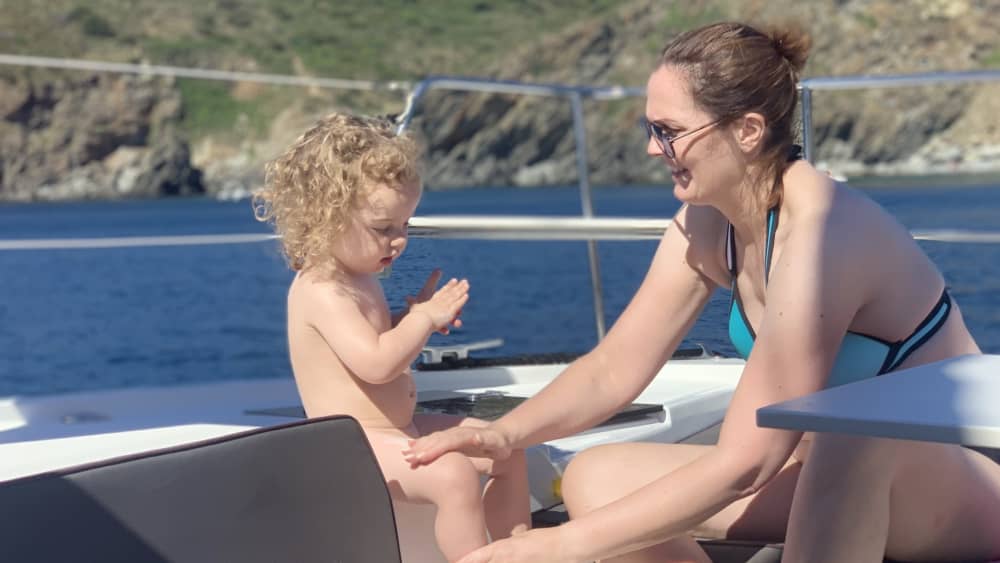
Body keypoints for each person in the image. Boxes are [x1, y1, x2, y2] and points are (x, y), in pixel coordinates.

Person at [402, 22, 1000, 563]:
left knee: (856, 430)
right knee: (593, 477)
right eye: (650, 130)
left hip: (965, 484)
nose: (650, 150)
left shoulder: (826, 232)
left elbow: (747, 462)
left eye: (668, 132)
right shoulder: (708, 224)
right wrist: (504, 433)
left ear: (746, 131)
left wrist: (559, 545)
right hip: (823, 473)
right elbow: (613, 369)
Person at [253, 112, 531, 562]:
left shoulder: (358, 276)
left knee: (502, 445)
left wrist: (412, 316)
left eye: (405, 225)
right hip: (355, 447)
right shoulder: (323, 290)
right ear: (327, 215)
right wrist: (422, 320)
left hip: (397, 431)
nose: (399, 241)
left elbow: (373, 342)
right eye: (384, 228)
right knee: (455, 475)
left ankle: (518, 549)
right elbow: (378, 364)